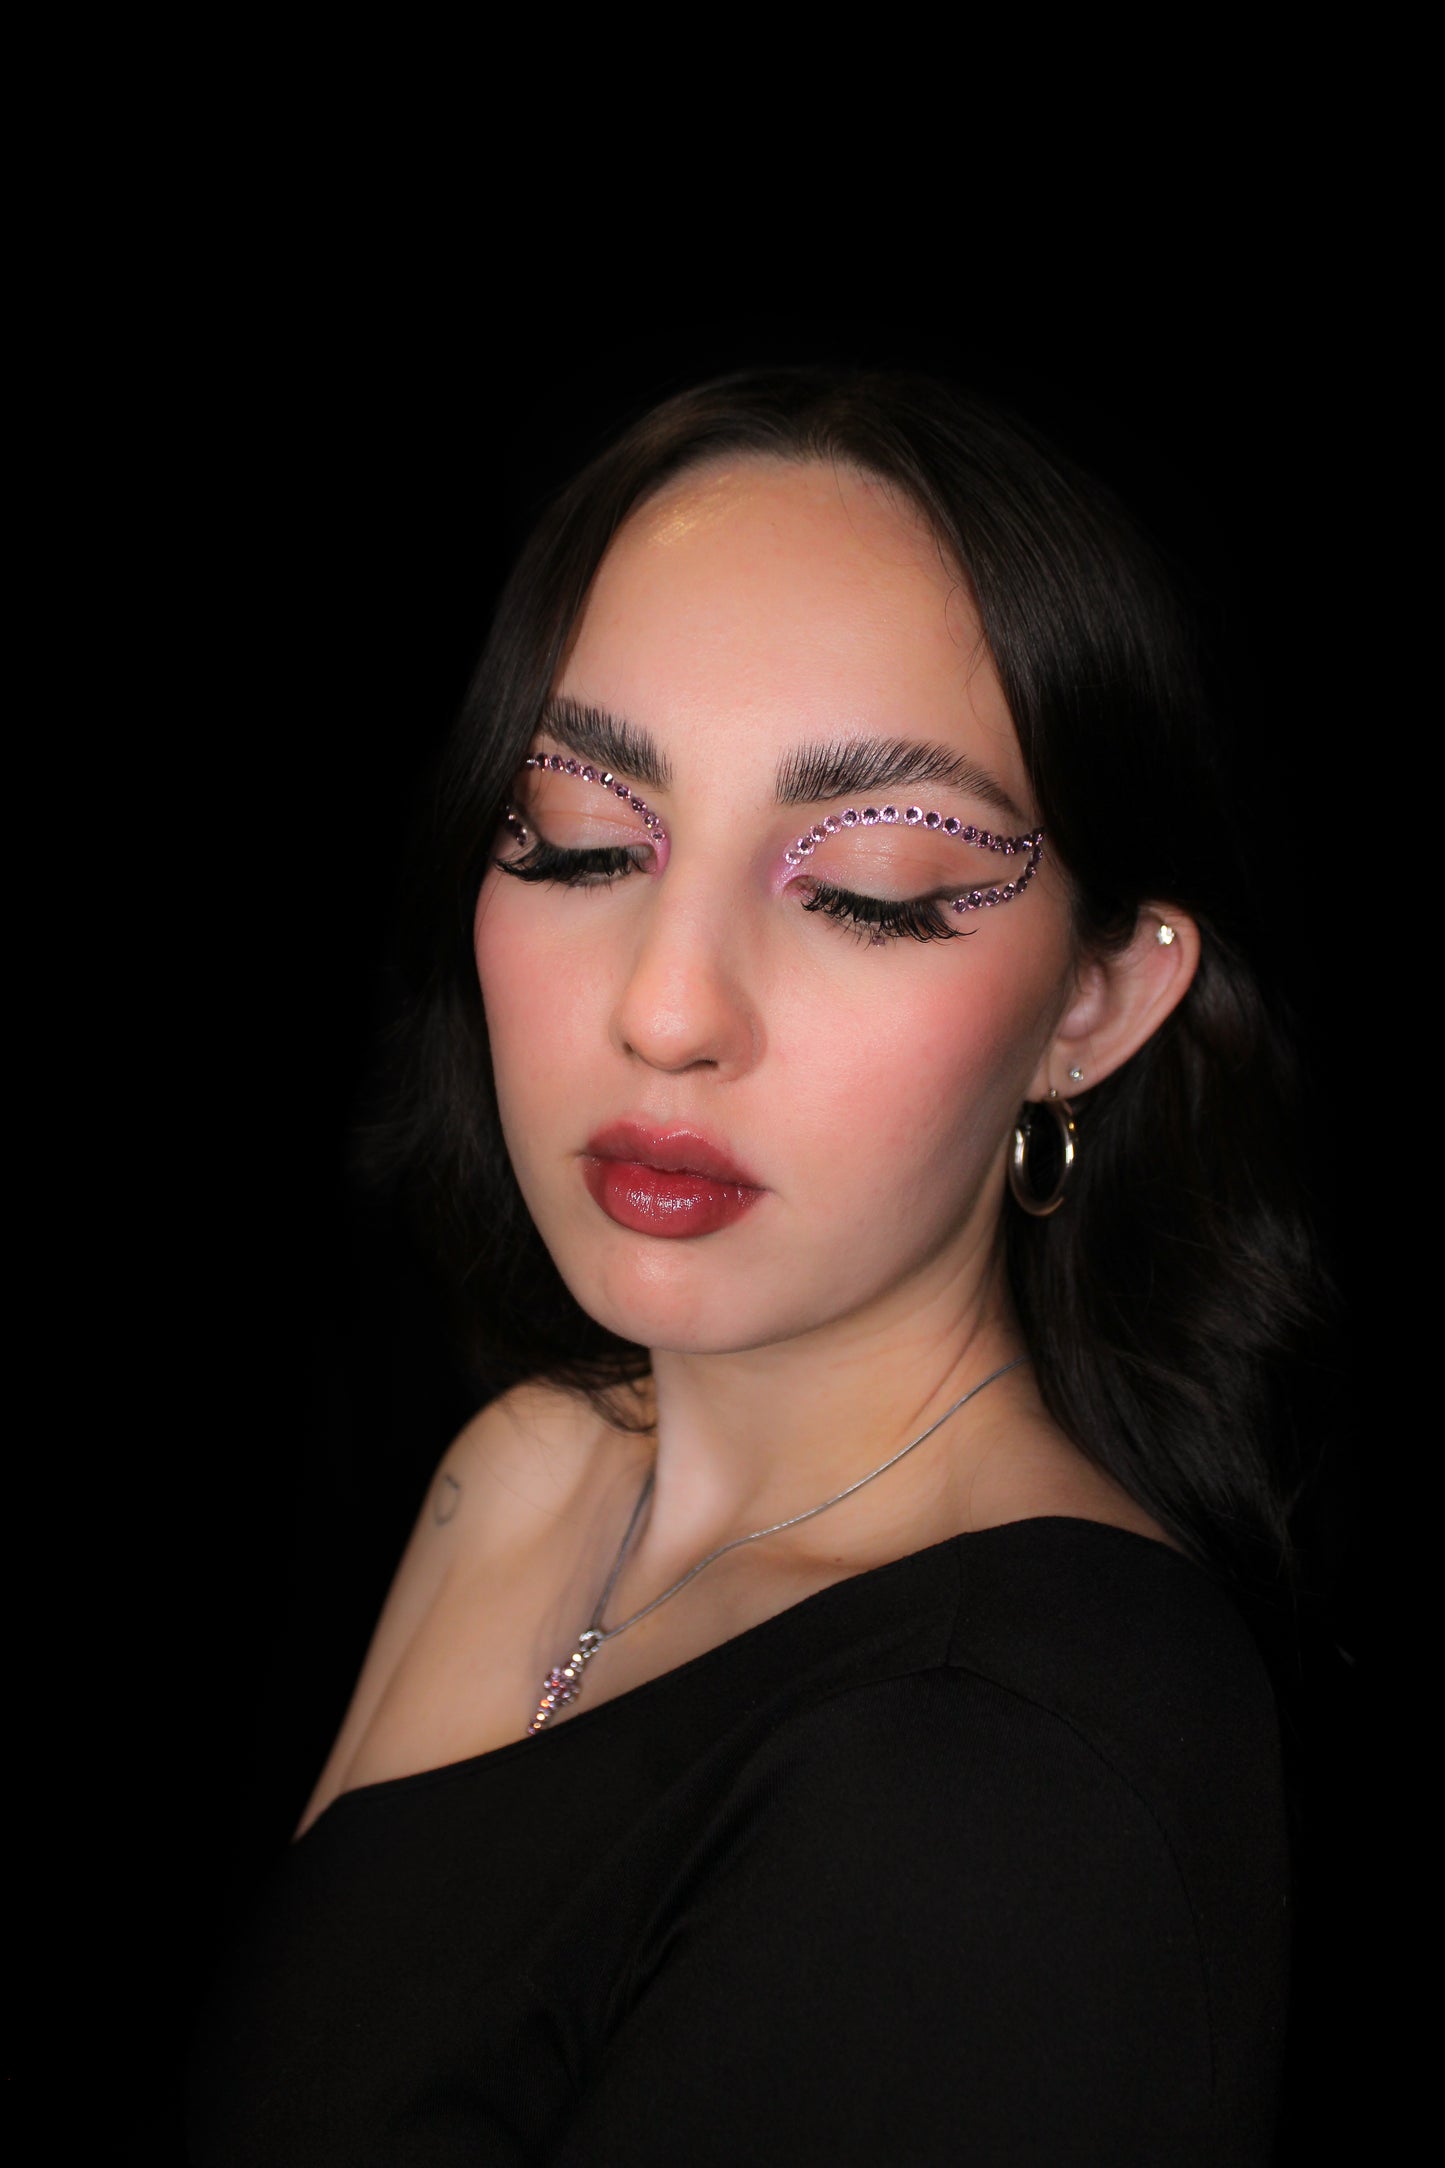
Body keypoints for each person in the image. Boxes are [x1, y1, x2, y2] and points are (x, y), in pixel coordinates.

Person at [186, 368, 1309, 2164]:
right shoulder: (538, 1467)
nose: (665, 1007)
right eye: (578, 838)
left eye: (866, 884)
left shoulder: (1004, 1776)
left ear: (1091, 1005)